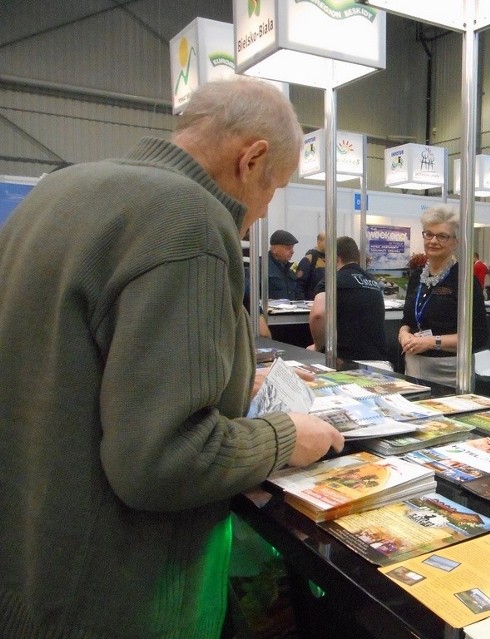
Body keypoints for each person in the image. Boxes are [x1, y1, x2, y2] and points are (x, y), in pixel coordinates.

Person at [0, 78, 345, 638]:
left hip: (31, 569)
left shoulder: (57, 190)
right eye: (274, 187)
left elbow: (74, 362)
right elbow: (164, 460)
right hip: (112, 601)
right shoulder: (188, 219)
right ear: (252, 159)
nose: (260, 212)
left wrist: (228, 376)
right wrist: (285, 435)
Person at [398, 205, 488, 386]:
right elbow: (407, 321)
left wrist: (432, 342)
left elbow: (478, 335)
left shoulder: (464, 280)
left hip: (451, 371)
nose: (433, 241)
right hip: (413, 366)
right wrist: (403, 335)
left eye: (442, 236)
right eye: (428, 234)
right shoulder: (416, 277)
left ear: (455, 242)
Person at [309, 236, 389, 364]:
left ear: (336, 257)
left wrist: (318, 347)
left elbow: (318, 315)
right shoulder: (373, 282)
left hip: (344, 361)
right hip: (378, 361)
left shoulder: (332, 281)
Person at [268, 228, 301, 300]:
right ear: (274, 249)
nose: (292, 252)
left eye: (292, 248)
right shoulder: (262, 267)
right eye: (288, 248)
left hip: (290, 310)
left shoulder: (289, 268)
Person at [295, 230, 326, 300]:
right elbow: (299, 285)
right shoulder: (309, 260)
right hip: (312, 304)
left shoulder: (334, 261)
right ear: (319, 242)